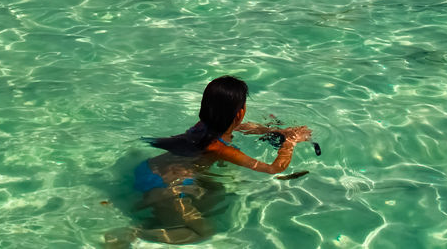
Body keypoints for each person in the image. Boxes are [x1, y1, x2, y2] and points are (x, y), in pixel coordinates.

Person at [108, 76, 313, 246]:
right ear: (240, 112)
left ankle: (152, 211)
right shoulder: (220, 148)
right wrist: (291, 142)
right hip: (168, 187)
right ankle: (138, 233)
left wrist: (276, 131)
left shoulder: (202, 126)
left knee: (215, 189)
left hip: (149, 169)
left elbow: (240, 128)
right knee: (206, 232)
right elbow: (273, 168)